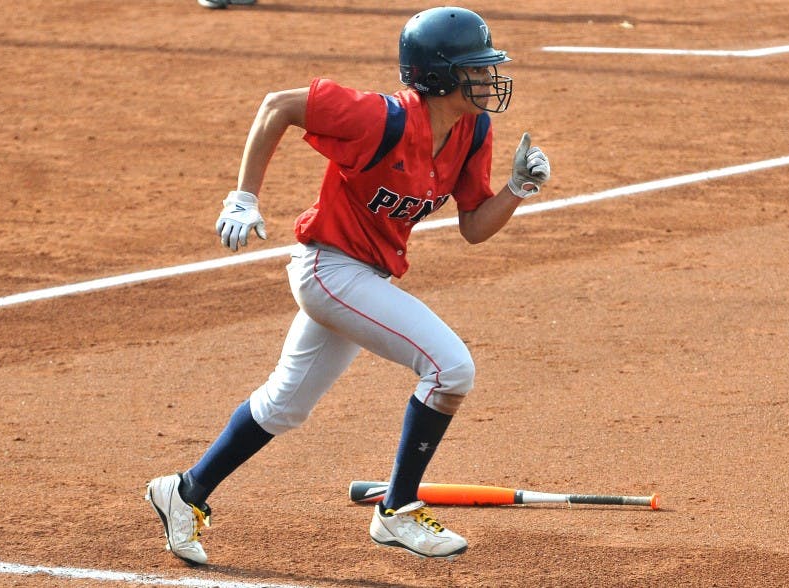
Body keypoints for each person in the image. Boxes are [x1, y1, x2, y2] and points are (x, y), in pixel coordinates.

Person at [145, 6, 550, 564]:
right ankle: (398, 511)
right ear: (438, 76)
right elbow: (278, 106)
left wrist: (517, 189)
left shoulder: (472, 129)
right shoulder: (378, 118)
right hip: (328, 270)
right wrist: (244, 197)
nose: (487, 78)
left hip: (362, 276)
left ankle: (184, 492)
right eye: (475, 68)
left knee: (284, 406)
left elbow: (475, 227)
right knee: (451, 369)